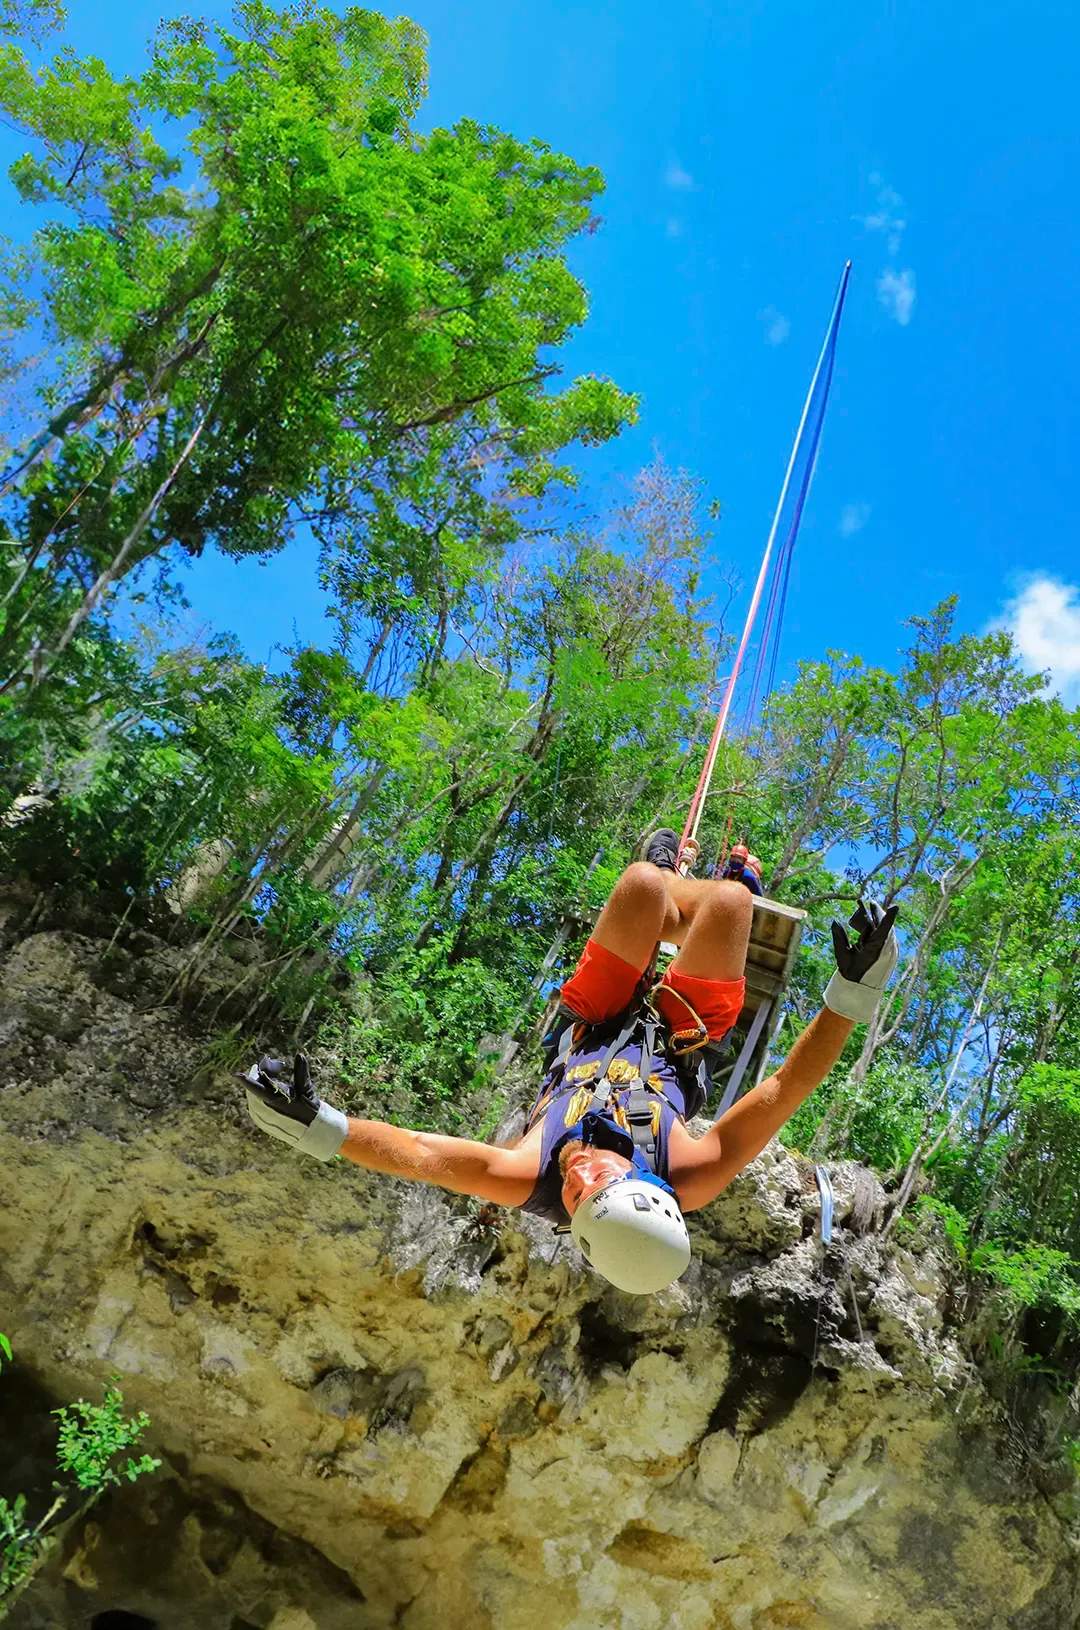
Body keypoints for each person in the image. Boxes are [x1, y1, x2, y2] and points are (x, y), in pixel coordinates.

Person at [241, 830, 898, 1296]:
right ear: (651, 1187)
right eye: (600, 1178)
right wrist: (853, 995)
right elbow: (786, 1087)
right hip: (681, 1029)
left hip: (594, 1019)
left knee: (641, 886)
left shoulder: (530, 1177)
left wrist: (320, 1126)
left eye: (577, 1195)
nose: (579, 1170)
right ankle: (707, 884)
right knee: (730, 904)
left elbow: (419, 1155)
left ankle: (666, 880)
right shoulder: (690, 1174)